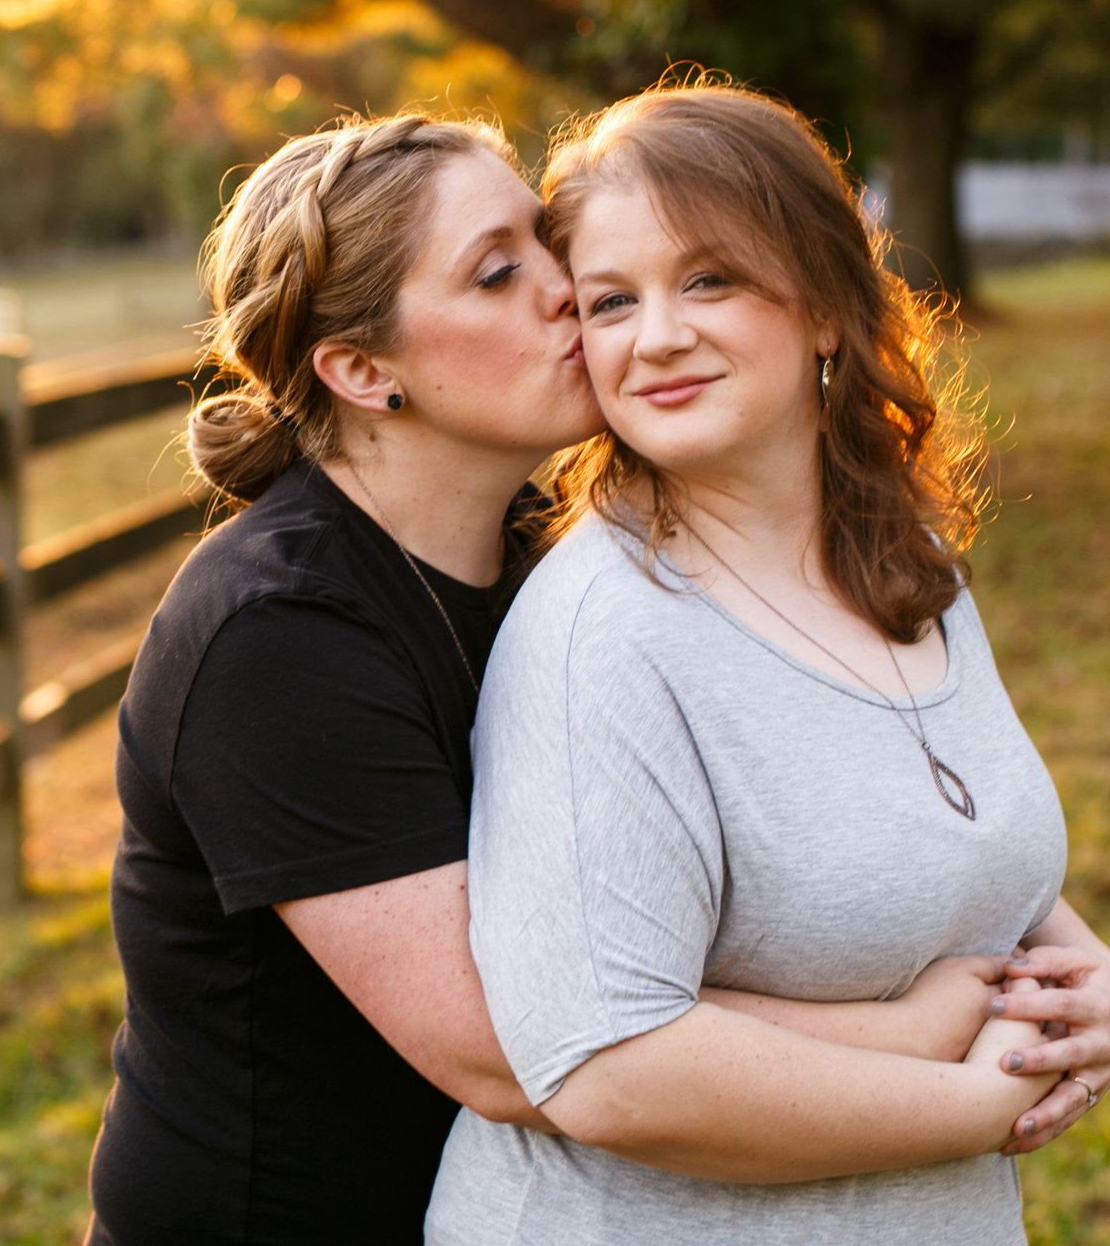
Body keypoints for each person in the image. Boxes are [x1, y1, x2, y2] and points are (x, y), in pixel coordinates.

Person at [88, 113, 1031, 1246]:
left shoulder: (543, 540)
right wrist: (919, 1027)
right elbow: (524, 1038)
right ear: (360, 368)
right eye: (497, 273)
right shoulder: (274, 634)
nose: (564, 290)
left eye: (546, 245)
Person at [428, 83, 1110, 1244]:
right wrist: (969, 1104)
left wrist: (1105, 983)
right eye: (611, 299)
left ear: (824, 305)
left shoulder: (902, 559)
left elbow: (941, 845)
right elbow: (609, 1064)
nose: (656, 334)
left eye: (708, 278)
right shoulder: (604, 637)